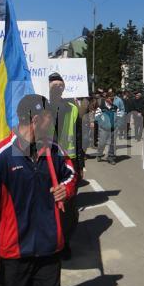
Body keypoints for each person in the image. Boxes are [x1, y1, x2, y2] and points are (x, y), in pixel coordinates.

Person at [0, 94, 77, 286]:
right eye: (49, 116)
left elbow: (71, 174)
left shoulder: (54, 150)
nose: (53, 121)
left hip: (49, 250)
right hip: (13, 255)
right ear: (36, 120)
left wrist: (65, 188)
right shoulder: (1, 156)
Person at [48, 72, 83, 259]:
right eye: (54, 85)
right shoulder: (42, 107)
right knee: (50, 202)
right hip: (47, 161)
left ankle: (65, 242)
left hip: (69, 161)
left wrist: (81, 165)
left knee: (69, 205)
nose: (57, 88)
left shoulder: (73, 108)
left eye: (60, 85)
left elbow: (79, 137)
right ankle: (52, 240)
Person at [95, 92, 123, 165]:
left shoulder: (115, 107)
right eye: (111, 99)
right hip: (104, 129)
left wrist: (118, 125)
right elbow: (97, 118)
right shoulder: (101, 107)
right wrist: (102, 124)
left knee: (112, 144)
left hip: (113, 129)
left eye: (113, 99)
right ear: (106, 98)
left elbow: (119, 116)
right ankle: (99, 154)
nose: (112, 100)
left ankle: (111, 157)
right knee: (102, 143)